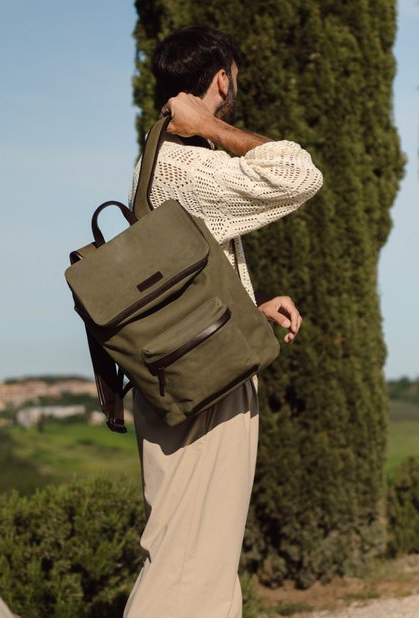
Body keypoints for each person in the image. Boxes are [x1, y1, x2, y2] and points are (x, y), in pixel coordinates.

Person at [124, 26, 323, 618]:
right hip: (208, 386)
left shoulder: (151, 162)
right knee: (189, 566)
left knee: (194, 557)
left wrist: (248, 307)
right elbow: (300, 173)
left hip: (182, 370)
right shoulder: (185, 165)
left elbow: (178, 279)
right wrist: (211, 127)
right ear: (220, 80)